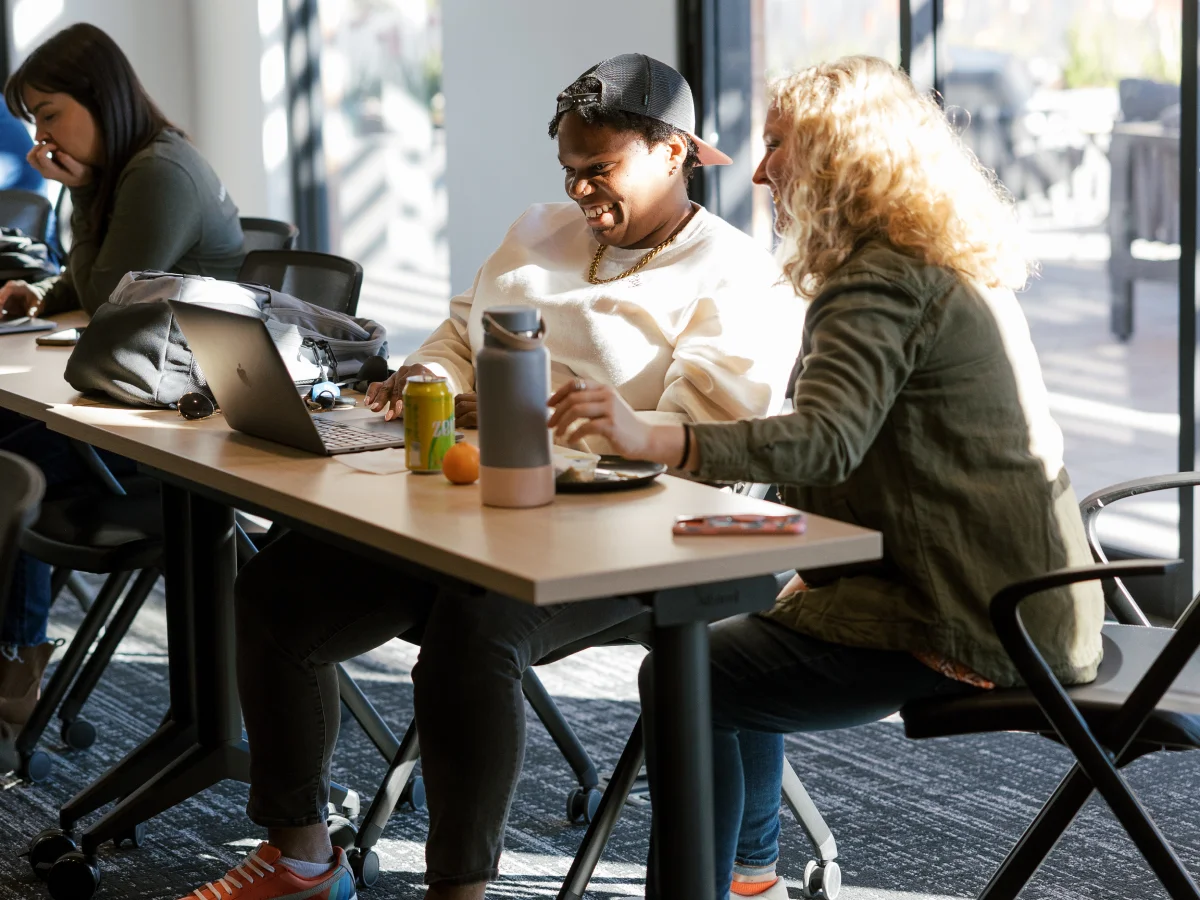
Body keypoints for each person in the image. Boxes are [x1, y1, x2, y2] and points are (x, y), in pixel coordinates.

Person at [179, 54, 801, 900]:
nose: (582, 192)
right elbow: (457, 333)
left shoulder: (734, 274)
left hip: (625, 536)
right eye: (571, 172)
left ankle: (458, 890)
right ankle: (301, 859)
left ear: (674, 152)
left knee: (474, 639)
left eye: (601, 170)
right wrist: (425, 380)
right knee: (277, 596)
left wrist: (514, 418)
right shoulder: (538, 230)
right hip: (470, 505)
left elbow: (695, 453)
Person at [545, 56, 1103, 900]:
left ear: (848, 158)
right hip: (1035, 596)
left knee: (688, 673)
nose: (761, 169)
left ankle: (702, 886)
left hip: (966, 618)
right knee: (735, 616)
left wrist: (651, 436)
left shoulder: (876, 279)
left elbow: (822, 446)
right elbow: (887, 461)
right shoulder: (935, 260)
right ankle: (746, 876)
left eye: (778, 146)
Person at [0, 23, 245, 733]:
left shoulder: (158, 171)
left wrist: (77, 198)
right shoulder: (128, 170)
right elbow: (91, 294)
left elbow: (111, 297)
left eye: (49, 115)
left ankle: (19, 662)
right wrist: (42, 297)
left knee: (14, 459)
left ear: (98, 98)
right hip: (136, 391)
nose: (41, 138)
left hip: (183, 425)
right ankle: (16, 649)